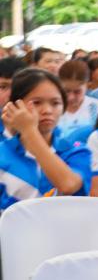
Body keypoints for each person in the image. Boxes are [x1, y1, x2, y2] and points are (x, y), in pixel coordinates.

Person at [0, 68, 90, 209]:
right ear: (16, 106)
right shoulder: (3, 153)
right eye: (36, 102)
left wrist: (29, 131)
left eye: (55, 103)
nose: (47, 110)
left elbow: (68, 185)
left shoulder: (76, 151)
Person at [56, 59, 98, 135]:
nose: (70, 97)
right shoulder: (53, 108)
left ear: (88, 85)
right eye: (66, 91)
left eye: (77, 92)